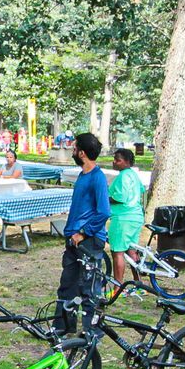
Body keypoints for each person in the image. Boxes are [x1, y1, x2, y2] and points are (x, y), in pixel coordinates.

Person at [57, 131, 110, 332]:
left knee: (90, 289)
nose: (72, 148)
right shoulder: (82, 175)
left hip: (88, 241)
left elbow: (104, 211)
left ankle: (91, 334)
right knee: (67, 286)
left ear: (82, 153)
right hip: (73, 240)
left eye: (75, 146)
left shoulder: (97, 177)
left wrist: (84, 233)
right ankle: (62, 329)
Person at [106, 147, 146, 283]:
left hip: (123, 218)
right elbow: (141, 189)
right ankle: (138, 283)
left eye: (118, 160)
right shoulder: (133, 174)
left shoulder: (123, 176)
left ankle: (118, 287)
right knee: (132, 250)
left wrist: (104, 199)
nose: (114, 162)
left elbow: (120, 197)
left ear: (127, 162)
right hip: (136, 217)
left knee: (117, 252)